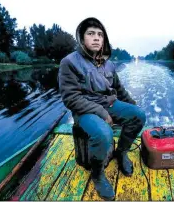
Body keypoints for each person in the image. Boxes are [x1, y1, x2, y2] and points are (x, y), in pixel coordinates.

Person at [58, 17, 146, 200]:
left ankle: (121, 153)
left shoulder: (109, 64)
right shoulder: (69, 62)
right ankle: (97, 174)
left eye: (100, 35)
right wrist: (101, 112)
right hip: (85, 110)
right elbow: (70, 98)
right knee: (103, 133)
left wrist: (132, 105)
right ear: (82, 39)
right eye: (91, 34)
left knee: (138, 116)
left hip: (110, 103)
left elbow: (119, 90)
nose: (96, 38)